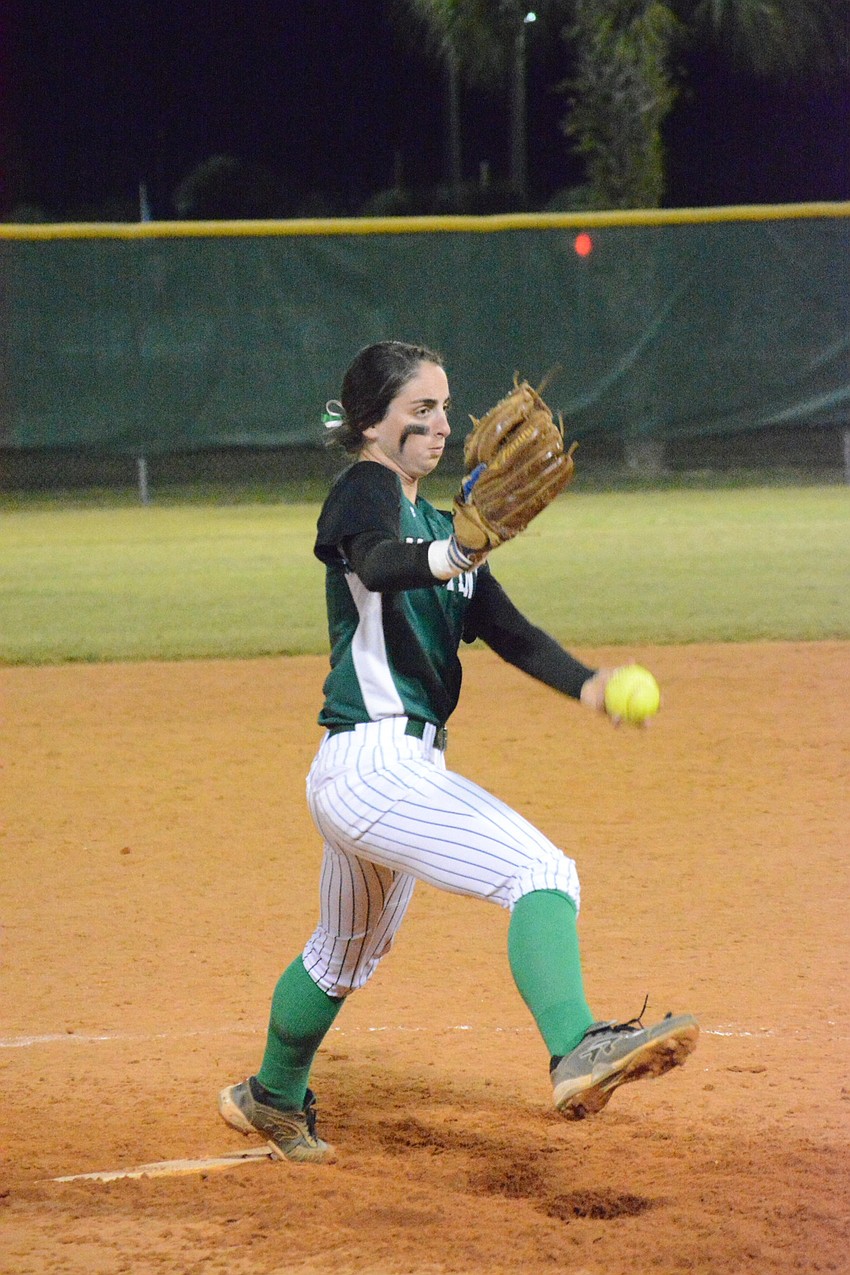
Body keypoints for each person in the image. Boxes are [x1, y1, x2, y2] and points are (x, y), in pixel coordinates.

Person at [218, 340, 698, 1163]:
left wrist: (588, 685)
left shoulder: (447, 527)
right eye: (420, 410)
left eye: (445, 407)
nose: (443, 424)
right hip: (375, 764)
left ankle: (270, 1096)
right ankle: (576, 1044)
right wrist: (455, 554)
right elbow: (376, 561)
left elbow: (508, 630)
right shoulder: (364, 493)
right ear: (373, 424)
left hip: (378, 775)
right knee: (541, 872)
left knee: (342, 954)